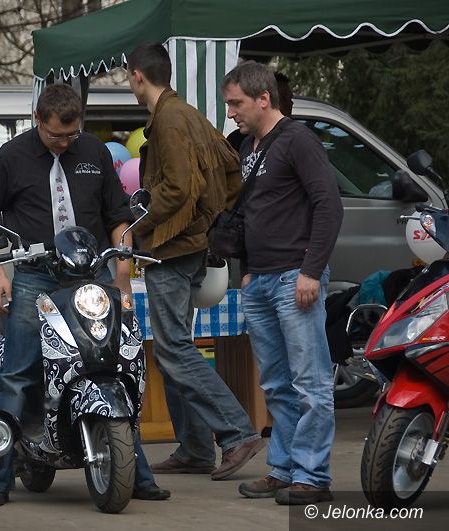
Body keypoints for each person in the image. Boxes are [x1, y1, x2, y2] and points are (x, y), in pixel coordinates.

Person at [0, 83, 170, 507]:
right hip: (35, 275)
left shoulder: (94, 152)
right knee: (17, 371)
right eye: (55, 135)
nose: (64, 142)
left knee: (115, 363)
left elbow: (117, 216)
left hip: (93, 273)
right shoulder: (11, 157)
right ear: (37, 120)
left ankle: (137, 474)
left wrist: (122, 271)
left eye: (71, 134)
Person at [125, 43, 264, 481]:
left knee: (172, 349)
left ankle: (237, 433)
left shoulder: (169, 119)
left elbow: (179, 188)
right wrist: (209, 221)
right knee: (174, 349)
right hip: (190, 246)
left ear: (136, 76)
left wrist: (139, 223)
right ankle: (196, 447)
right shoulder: (187, 113)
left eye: (128, 77)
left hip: (172, 249)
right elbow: (230, 168)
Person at [221, 60, 343, 505]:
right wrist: (247, 270)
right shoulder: (248, 146)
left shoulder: (298, 139)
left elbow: (329, 205)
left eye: (236, 103)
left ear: (263, 98)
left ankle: (312, 477)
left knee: (310, 382)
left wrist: (310, 270)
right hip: (261, 280)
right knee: (276, 384)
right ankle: (285, 468)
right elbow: (252, 213)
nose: (230, 113)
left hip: (295, 277)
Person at [226, 72, 293, 153]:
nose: (290, 103)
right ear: (264, 99)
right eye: (283, 98)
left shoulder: (297, 139)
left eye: (290, 98)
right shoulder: (237, 140)